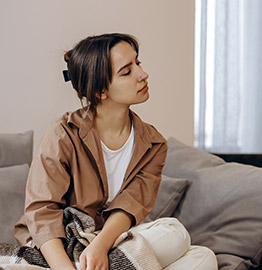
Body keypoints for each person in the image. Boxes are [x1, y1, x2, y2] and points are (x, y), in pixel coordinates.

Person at [14, 33, 217, 270]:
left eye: (138, 63)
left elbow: (132, 204)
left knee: (203, 257)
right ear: (101, 91)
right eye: (127, 71)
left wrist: (100, 246)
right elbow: (42, 213)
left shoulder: (153, 144)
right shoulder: (63, 133)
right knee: (176, 234)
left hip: (107, 240)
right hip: (60, 246)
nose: (143, 74)